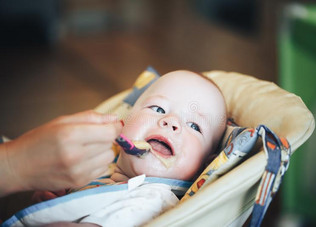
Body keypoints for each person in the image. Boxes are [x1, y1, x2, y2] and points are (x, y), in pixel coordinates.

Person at [3, 70, 227, 226]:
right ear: (124, 121)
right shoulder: (97, 166)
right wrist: (55, 202)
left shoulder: (155, 200)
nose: (170, 122)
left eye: (194, 125)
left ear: (206, 165)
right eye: (158, 109)